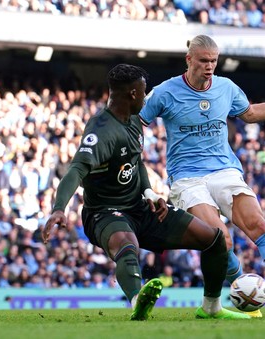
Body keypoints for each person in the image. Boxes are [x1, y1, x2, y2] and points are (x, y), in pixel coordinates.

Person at [42, 64, 250, 321]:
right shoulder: (102, 130)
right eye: (143, 91)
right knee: (128, 245)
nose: (146, 96)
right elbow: (76, 170)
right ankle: (137, 300)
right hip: (105, 212)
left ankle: (211, 307)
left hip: (141, 207)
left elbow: (136, 162)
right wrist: (59, 208)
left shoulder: (132, 121)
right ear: (132, 94)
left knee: (214, 238)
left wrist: (150, 193)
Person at [139, 34, 265, 315]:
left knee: (258, 224)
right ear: (189, 59)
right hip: (187, 178)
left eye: (213, 61)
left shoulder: (226, 88)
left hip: (224, 170)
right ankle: (241, 287)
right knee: (219, 239)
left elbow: (250, 113)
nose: (209, 66)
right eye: (203, 61)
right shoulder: (165, 92)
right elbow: (135, 123)